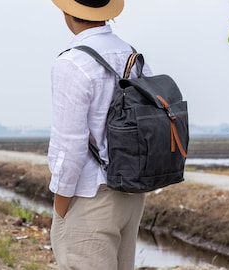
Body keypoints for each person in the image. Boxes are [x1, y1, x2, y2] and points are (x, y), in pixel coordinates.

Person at [47, 0, 152, 269]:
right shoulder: (132, 56)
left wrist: (61, 208)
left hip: (90, 197)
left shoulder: (72, 62)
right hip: (131, 193)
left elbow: (69, 145)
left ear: (67, 11)